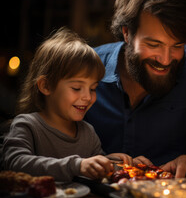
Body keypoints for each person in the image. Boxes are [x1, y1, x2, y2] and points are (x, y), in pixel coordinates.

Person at [84, 0, 186, 178]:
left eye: (177, 46)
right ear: (127, 33)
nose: (166, 59)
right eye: (154, 44)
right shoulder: (87, 67)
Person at [1, 27, 142, 182]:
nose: (88, 97)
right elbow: (14, 163)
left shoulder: (88, 133)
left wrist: (116, 163)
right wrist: (76, 165)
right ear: (46, 86)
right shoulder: (27, 126)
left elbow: (95, 171)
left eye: (93, 88)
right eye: (76, 88)